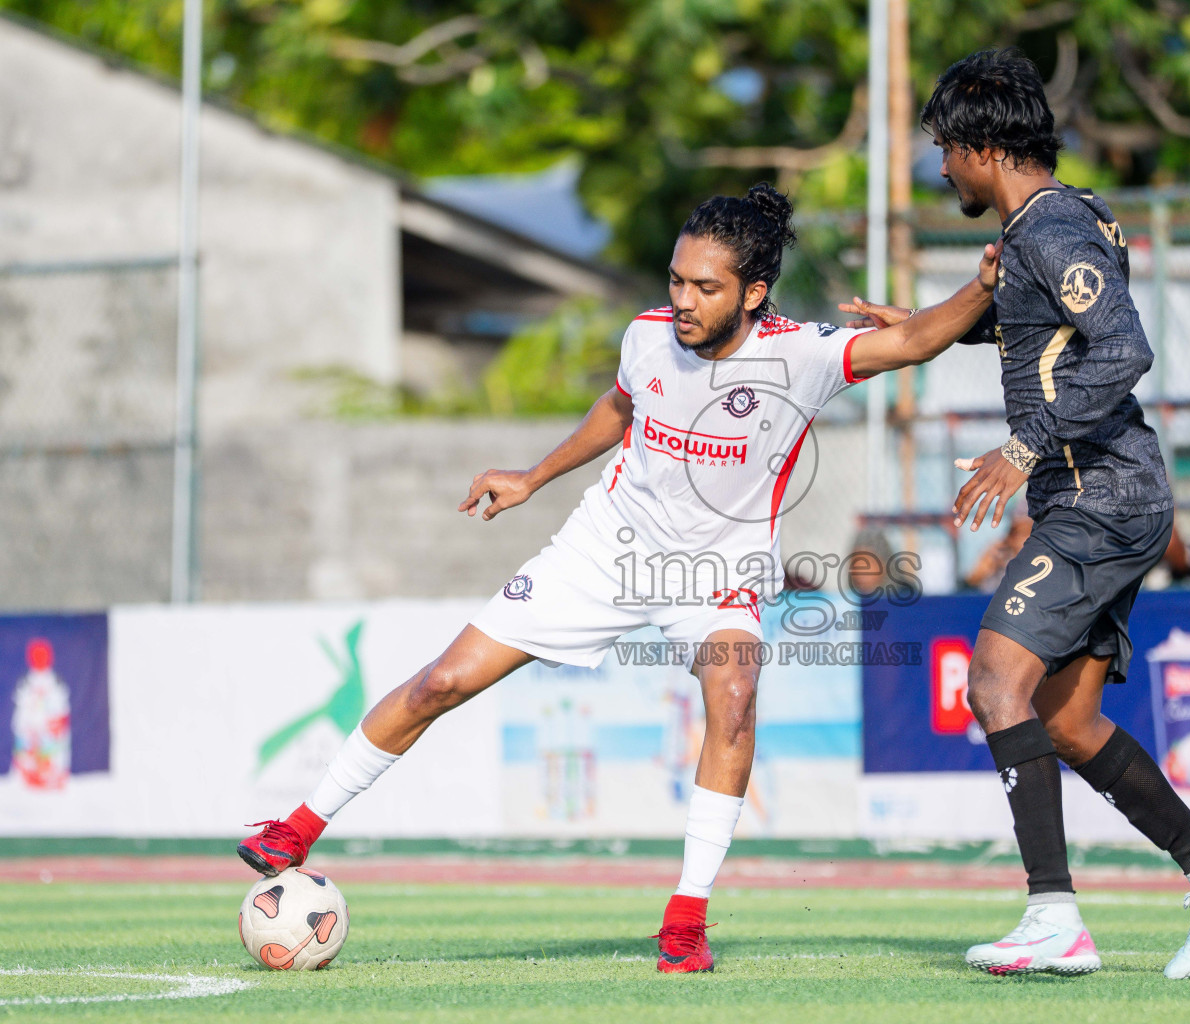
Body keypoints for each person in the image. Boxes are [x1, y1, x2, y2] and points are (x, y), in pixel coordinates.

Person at [237, 183, 1003, 974]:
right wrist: (533, 477)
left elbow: (912, 344)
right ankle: (295, 828)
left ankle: (684, 922)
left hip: (719, 570)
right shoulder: (647, 338)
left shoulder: (801, 354)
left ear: (755, 294)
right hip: (607, 549)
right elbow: (619, 406)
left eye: (706, 288)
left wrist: (981, 287)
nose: (683, 300)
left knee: (733, 703)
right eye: (677, 280)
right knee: (443, 682)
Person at [842, 49, 1190, 981]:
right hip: (1104, 492)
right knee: (1067, 721)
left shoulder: (1049, 230)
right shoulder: (1059, 221)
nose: (942, 168)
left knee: (994, 682)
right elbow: (1047, 331)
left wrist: (1023, 447)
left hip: (1098, 493)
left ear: (983, 147)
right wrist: (929, 318)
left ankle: (1053, 916)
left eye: (944, 151)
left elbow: (1124, 348)